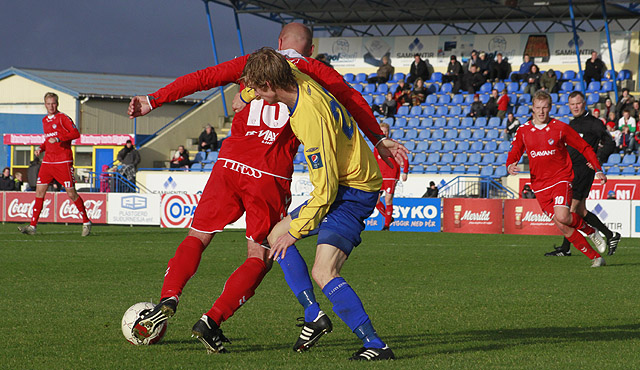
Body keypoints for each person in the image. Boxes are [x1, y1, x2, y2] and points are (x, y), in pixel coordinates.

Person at [127, 23, 407, 356]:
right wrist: (377, 135)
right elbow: (351, 97)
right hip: (272, 175)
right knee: (267, 248)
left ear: (276, 49)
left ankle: (172, 296)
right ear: (308, 49)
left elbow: (203, 78)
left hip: (249, 168)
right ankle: (240, 318)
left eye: (257, 90)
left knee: (212, 237)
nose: (254, 93)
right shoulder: (307, 71)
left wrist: (153, 100)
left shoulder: (306, 116)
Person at [242, 47, 395, 361]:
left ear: (271, 84)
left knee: (323, 271)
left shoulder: (311, 120)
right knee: (273, 236)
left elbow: (324, 192)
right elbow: (274, 69)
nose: (256, 95)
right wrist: (246, 93)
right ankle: (313, 315)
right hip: (344, 183)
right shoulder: (295, 75)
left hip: (353, 190)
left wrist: (295, 233)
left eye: (258, 89)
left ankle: (376, 346)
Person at [506, 90, 608, 267]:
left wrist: (597, 168)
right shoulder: (523, 130)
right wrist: (510, 163)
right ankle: (596, 258)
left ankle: (591, 231)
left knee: (562, 215)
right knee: (563, 225)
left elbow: (584, 147)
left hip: (561, 178)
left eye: (545, 108)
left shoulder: (560, 128)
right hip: (539, 185)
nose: (541, 111)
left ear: (550, 108)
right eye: (538, 108)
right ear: (532, 108)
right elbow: (515, 149)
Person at [545, 91, 619, 257]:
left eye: (578, 103)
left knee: (569, 210)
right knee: (580, 211)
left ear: (584, 103)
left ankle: (567, 248)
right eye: (572, 104)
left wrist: (597, 160)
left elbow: (610, 143)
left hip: (583, 171)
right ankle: (610, 235)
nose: (575, 107)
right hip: (572, 171)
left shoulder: (594, 123)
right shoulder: (572, 124)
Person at [18, 92, 91, 236]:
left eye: (53, 103)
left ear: (57, 104)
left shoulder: (63, 118)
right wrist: (41, 147)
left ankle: (86, 222)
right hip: (48, 162)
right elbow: (48, 139)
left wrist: (59, 139)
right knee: (39, 192)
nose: (51, 106)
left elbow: (76, 133)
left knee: (71, 193)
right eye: (48, 103)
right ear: (44, 104)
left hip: (63, 161)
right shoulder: (45, 120)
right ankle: (32, 226)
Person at [375, 123, 409, 231]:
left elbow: (405, 157)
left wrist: (405, 172)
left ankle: (386, 226)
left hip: (390, 175)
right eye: (382, 131)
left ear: (388, 132)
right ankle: (388, 217)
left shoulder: (393, 143)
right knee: (375, 201)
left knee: (388, 199)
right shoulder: (377, 145)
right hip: (380, 176)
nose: (384, 133)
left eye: (386, 131)